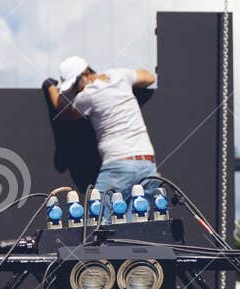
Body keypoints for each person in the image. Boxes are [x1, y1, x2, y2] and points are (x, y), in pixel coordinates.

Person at [43, 56, 159, 198]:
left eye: (74, 85)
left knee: (99, 216)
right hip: (148, 165)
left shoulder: (88, 95)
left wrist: (50, 86)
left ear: (85, 75)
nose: (74, 90)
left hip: (119, 166)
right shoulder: (119, 75)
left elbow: (63, 112)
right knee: (139, 218)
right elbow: (149, 78)